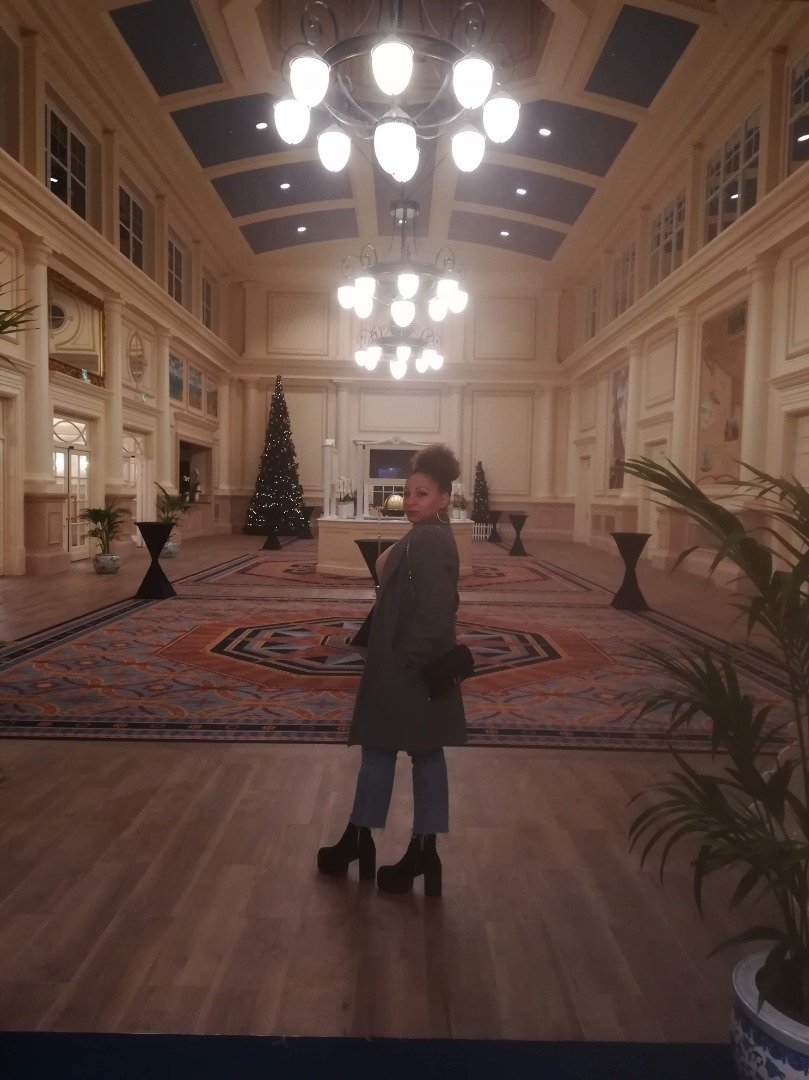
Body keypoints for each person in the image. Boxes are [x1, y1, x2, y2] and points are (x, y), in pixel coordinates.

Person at [317, 443, 467, 897]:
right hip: (420, 667)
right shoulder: (433, 534)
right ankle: (420, 850)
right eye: (409, 492)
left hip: (408, 669)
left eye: (424, 494)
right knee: (422, 752)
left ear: (444, 498)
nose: (412, 501)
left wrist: (402, 662)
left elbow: (437, 613)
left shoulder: (427, 540)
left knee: (381, 748)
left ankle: (361, 840)